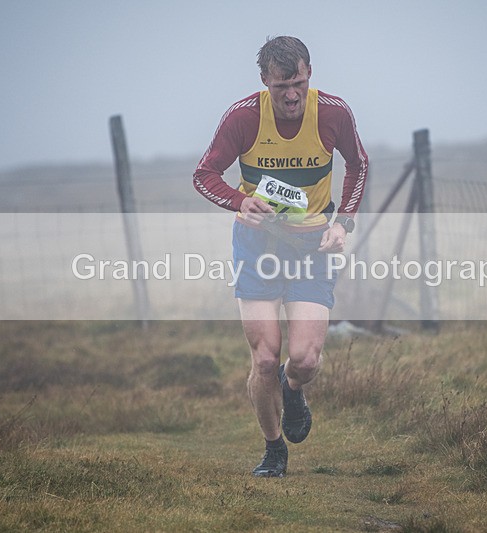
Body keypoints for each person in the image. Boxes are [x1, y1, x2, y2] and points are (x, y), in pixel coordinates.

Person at [193, 36, 368, 477]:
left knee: (304, 359)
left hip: (313, 247)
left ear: (310, 74)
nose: (292, 95)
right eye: (281, 86)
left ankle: (293, 390)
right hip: (257, 248)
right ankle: (274, 451)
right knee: (265, 357)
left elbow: (359, 164)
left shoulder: (332, 111)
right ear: (264, 81)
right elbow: (204, 174)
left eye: (300, 83)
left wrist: (341, 223)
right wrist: (239, 201)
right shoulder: (244, 117)